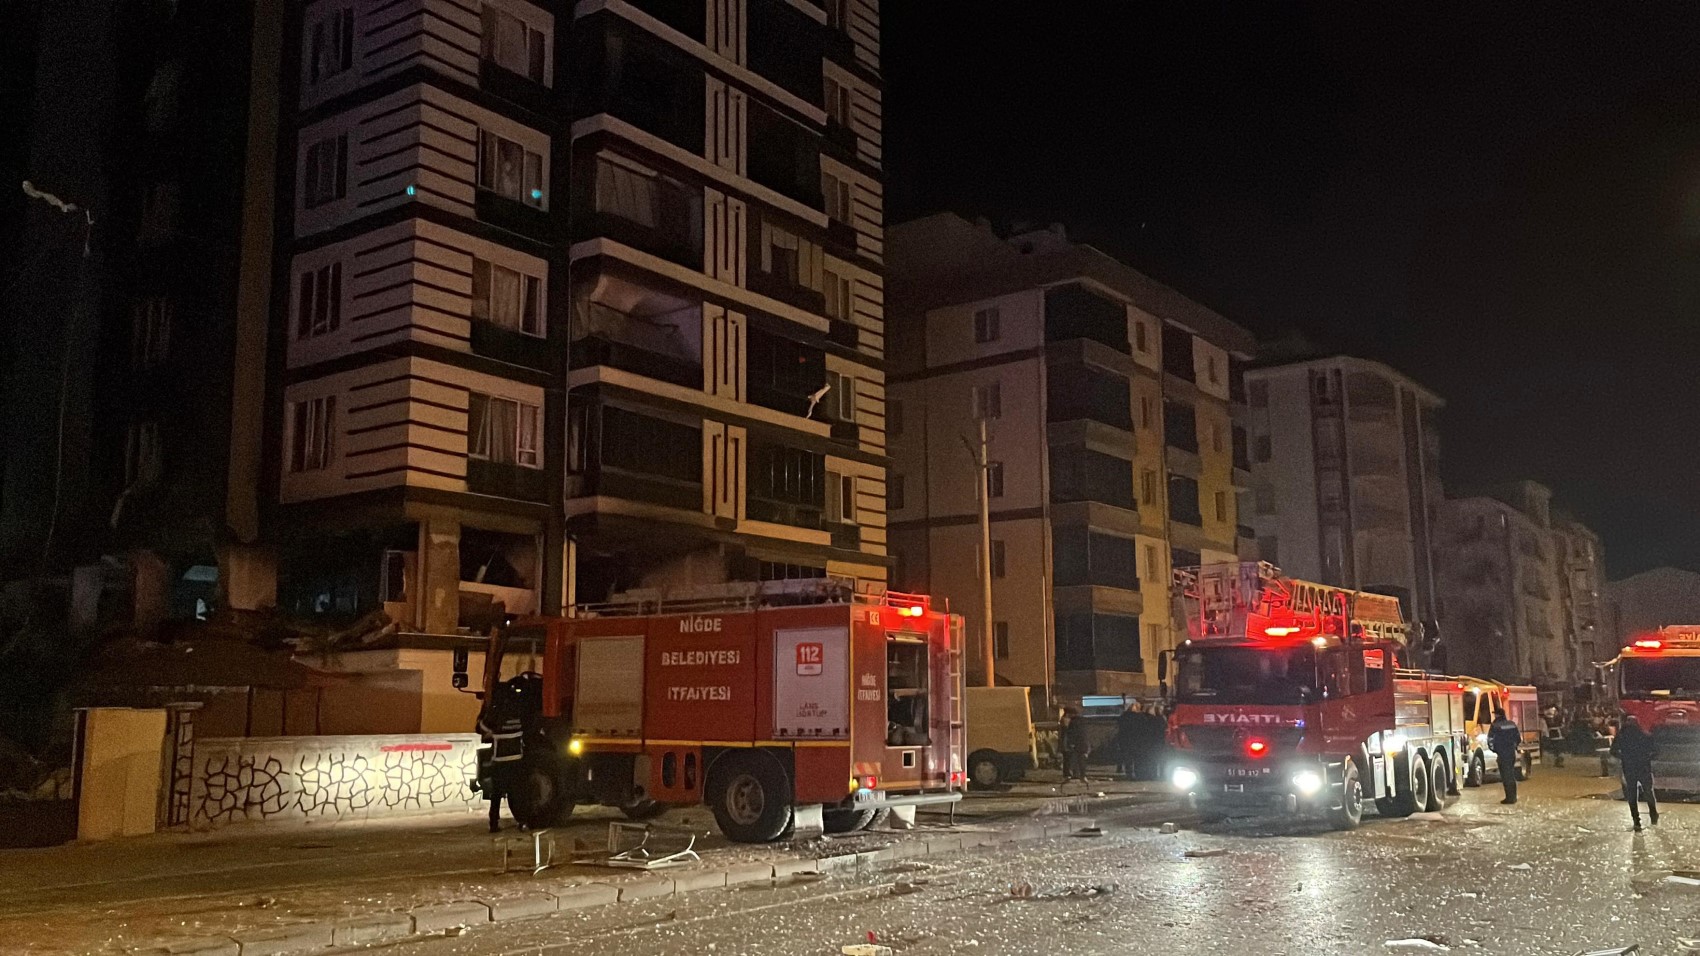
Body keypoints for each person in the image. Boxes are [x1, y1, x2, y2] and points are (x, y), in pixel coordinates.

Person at [1611, 713, 1659, 831]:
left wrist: (1623, 757)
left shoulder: (1621, 737)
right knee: (1648, 792)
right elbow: (1656, 752)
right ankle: (1653, 815)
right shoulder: (1646, 736)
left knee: (1632, 795)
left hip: (1629, 768)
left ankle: (1636, 821)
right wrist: (1647, 758)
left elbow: (1613, 751)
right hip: (1644, 767)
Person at [1487, 708, 1522, 804]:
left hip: (1502, 753)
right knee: (1510, 774)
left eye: (1495, 714)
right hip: (1511, 753)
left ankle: (1509, 798)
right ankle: (1513, 797)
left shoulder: (1495, 725)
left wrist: (1495, 750)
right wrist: (1513, 746)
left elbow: (1490, 739)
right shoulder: (1512, 724)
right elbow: (1518, 738)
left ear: (1498, 715)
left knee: (1506, 776)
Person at [1061, 708, 1090, 782]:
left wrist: (1071, 743)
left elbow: (1071, 734)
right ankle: (1083, 776)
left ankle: (1071, 774)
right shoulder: (1084, 721)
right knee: (1082, 759)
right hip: (1084, 743)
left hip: (1076, 744)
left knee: (1073, 759)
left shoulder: (1073, 722)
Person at [1114, 704, 1142, 780]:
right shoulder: (1138, 717)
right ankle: (1136, 773)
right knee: (1136, 757)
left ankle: (1129, 773)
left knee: (1127, 758)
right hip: (1135, 739)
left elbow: (1119, 728)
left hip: (1125, 739)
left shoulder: (1123, 717)